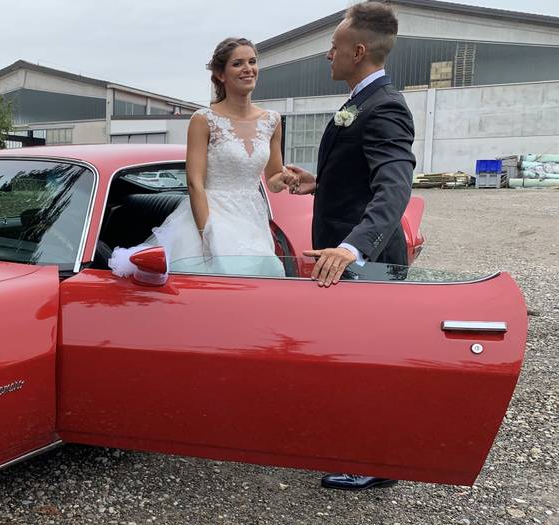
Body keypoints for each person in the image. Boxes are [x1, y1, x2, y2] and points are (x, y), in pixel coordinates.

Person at [283, 1, 416, 491]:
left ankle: (378, 462)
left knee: (371, 360)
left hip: (368, 264)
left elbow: (394, 188)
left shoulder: (386, 107)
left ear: (358, 51)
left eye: (334, 47)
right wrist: (319, 184)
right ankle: (359, 446)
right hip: (347, 257)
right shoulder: (362, 99)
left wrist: (353, 249)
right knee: (352, 356)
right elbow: (362, 175)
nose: (327, 55)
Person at [109, 37, 294, 278]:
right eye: (238, 64)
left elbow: (272, 179)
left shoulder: (272, 120)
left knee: (260, 283)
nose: (248, 69)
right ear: (220, 74)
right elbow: (195, 183)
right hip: (211, 213)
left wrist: (287, 178)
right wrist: (207, 234)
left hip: (252, 219)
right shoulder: (203, 119)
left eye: (252, 61)